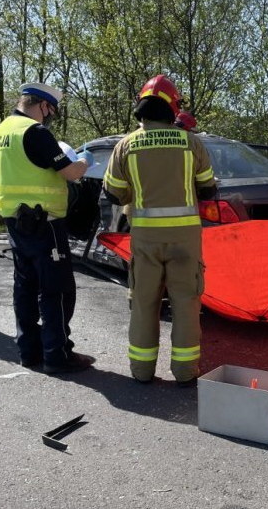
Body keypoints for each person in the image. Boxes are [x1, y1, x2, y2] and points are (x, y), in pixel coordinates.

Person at [103, 75, 216, 386]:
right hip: (185, 240)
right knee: (185, 304)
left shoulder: (126, 145)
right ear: (173, 106)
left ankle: (141, 371)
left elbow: (113, 193)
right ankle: (184, 372)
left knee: (143, 303)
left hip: (145, 239)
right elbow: (208, 190)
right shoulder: (191, 143)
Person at [0, 82, 94, 375]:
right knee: (56, 290)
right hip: (44, 223)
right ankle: (57, 356)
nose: (49, 118)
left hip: (15, 222)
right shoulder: (34, 132)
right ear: (44, 105)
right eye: (51, 112)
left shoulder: (1, 132)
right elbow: (71, 172)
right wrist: (84, 162)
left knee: (25, 288)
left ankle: (29, 352)